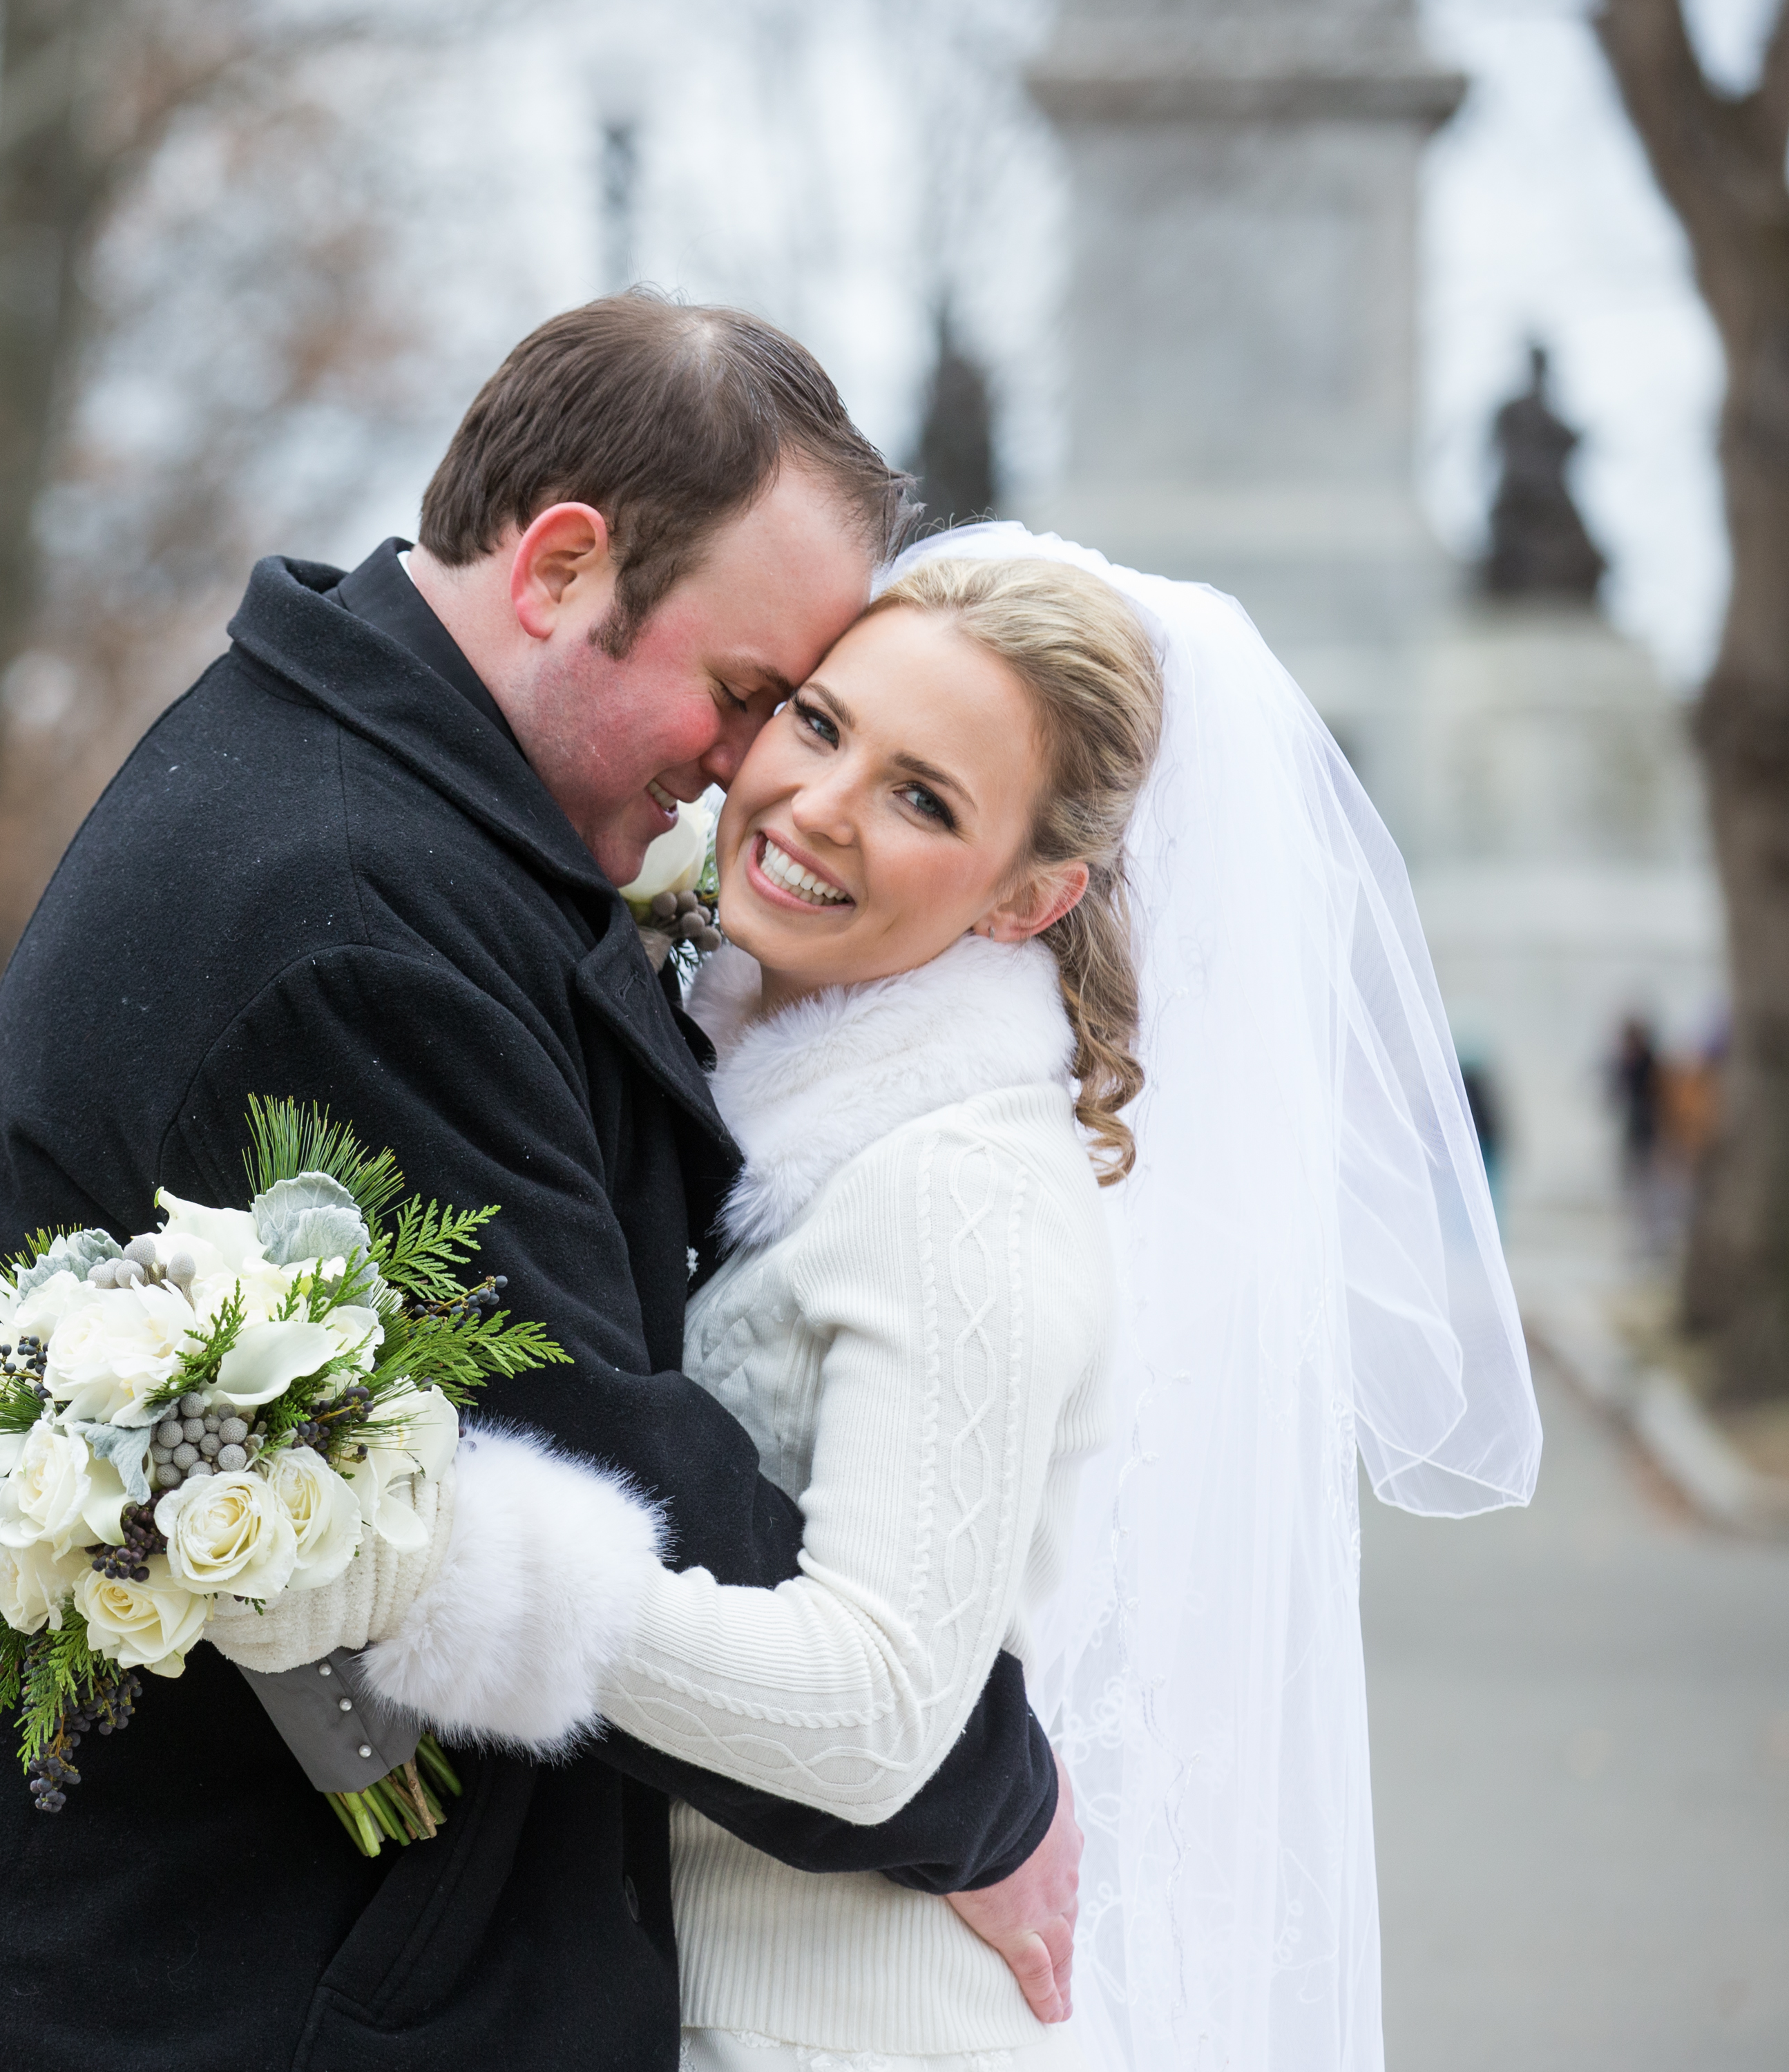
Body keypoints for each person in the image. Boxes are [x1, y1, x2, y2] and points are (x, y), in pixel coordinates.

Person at [0, 298, 1078, 2069]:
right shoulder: (345, 913)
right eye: (742, 698)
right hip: (182, 1985)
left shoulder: (398, 795)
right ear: (563, 566)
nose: (748, 771)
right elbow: (612, 1473)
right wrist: (984, 1790)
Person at [229, 530, 1544, 2072]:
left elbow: (871, 1715)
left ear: (1027, 898)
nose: (821, 808)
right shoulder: (705, 1058)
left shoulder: (958, 1195)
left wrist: (413, 1556)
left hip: (835, 2032)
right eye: (820, 722)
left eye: (926, 799)